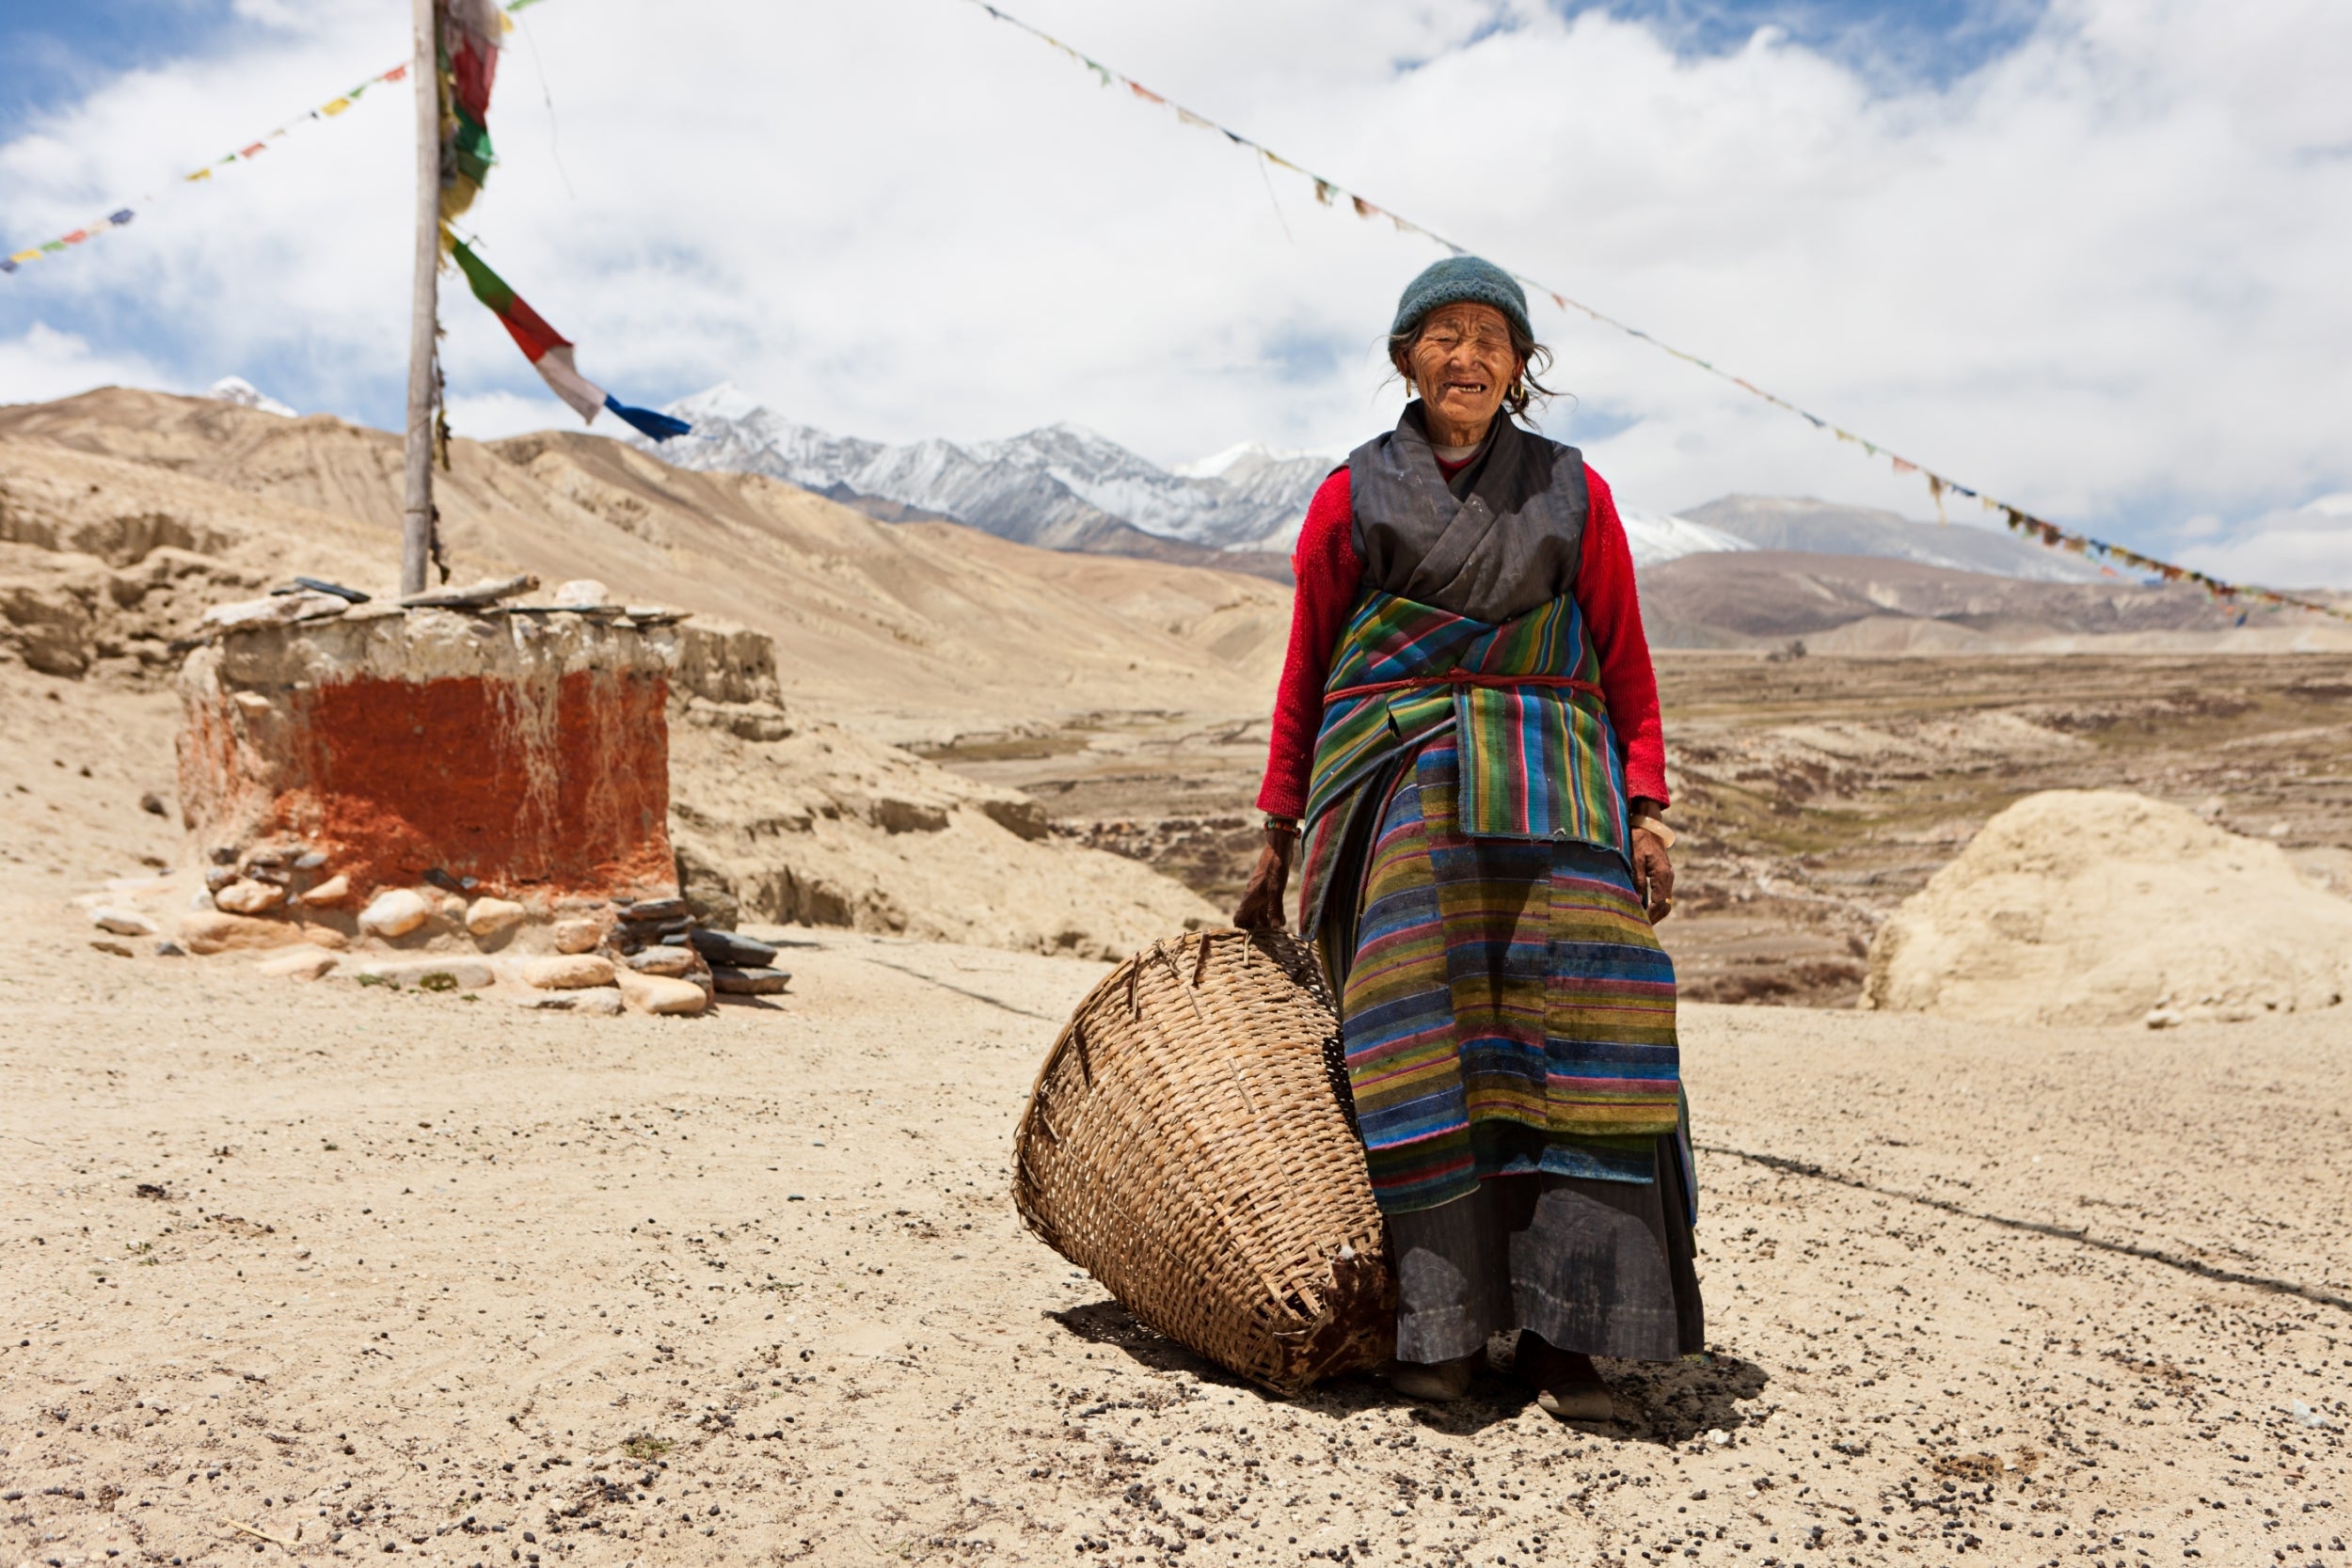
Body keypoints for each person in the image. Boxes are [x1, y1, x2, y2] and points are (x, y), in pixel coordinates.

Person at [1234, 256, 1699, 1419]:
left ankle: (1570, 1337)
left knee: (1584, 1045)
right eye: (1442, 334)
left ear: (1519, 370)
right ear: (1406, 359)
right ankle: (1434, 1329)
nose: (1467, 356)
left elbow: (1621, 655)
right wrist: (1279, 825)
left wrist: (1644, 805)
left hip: (1560, 790)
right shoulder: (1353, 494)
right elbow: (1310, 663)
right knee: (1417, 1046)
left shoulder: (1573, 491)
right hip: (1403, 789)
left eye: (1491, 338)